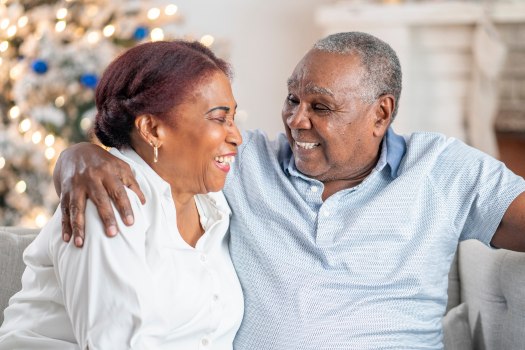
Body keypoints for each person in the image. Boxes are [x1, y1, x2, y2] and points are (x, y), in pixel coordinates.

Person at [53, 32, 525, 349]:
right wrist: (80, 155)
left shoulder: (443, 169)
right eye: (292, 99)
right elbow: (156, 150)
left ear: (381, 114)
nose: (297, 120)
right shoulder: (240, 163)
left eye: (321, 106)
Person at [0, 40, 244, 349]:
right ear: (152, 129)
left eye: (233, 118)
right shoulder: (106, 197)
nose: (236, 135)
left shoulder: (216, 204)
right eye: (219, 118)